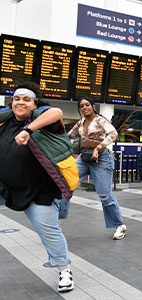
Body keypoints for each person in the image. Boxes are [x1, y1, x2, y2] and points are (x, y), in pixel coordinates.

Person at [0, 82, 74, 292]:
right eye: (17, 98)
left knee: (49, 232)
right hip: (6, 187)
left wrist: (28, 130)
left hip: (39, 192)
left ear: (34, 104)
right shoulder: (5, 122)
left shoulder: (43, 122)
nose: (20, 102)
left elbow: (57, 111)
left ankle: (64, 268)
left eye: (26, 99)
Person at [68, 97, 127, 240]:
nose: (84, 108)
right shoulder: (80, 123)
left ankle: (119, 225)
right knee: (65, 181)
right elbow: (69, 136)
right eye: (81, 106)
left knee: (104, 194)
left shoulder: (100, 120)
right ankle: (56, 217)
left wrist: (99, 147)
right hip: (85, 158)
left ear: (93, 106)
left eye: (87, 105)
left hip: (102, 158)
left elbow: (113, 134)